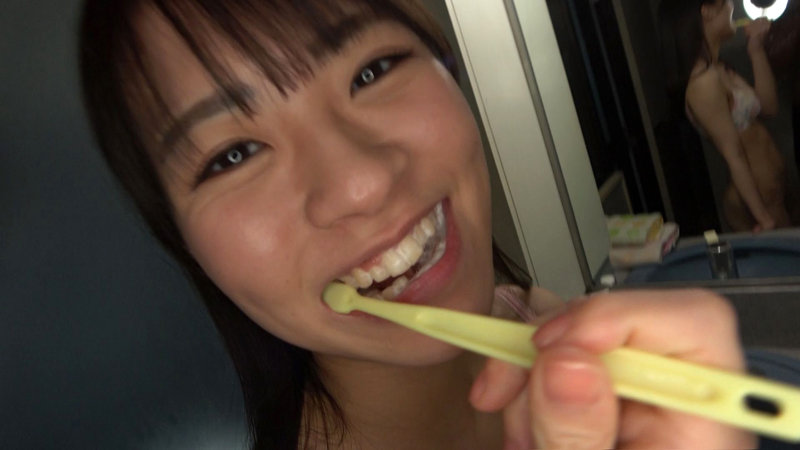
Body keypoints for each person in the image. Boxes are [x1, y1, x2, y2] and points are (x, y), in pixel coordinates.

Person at [78, 0, 753, 448]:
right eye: (233, 155)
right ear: (185, 245)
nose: (361, 183)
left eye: (371, 70)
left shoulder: (530, 316)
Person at [660, 0, 791, 233]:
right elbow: (734, 155)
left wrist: (756, 50)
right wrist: (763, 219)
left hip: (773, 195)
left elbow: (769, 107)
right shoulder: (702, 83)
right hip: (758, 206)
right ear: (707, 11)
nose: (732, 6)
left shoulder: (719, 68)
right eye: (727, 1)